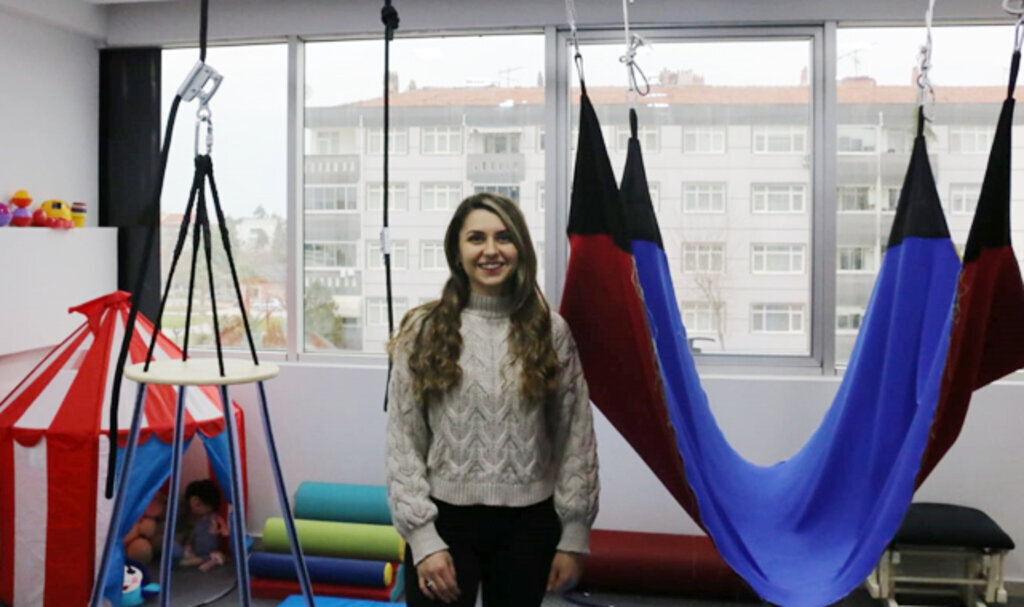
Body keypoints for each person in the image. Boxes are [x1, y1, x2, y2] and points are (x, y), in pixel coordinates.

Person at [385, 192, 600, 606]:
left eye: (503, 237)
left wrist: (574, 535)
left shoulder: (551, 332)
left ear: (520, 247)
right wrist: (423, 539)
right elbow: (403, 441)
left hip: (529, 527)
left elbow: (576, 437)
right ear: (457, 251)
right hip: (444, 523)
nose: (490, 250)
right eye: (476, 238)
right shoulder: (422, 329)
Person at [176, 479, 228, 572]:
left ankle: (205, 558)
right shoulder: (194, 519)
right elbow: (192, 535)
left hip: (207, 549)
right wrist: (188, 546)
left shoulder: (212, 517)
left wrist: (221, 530)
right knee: (173, 549)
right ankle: (200, 558)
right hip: (194, 550)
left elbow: (225, 531)